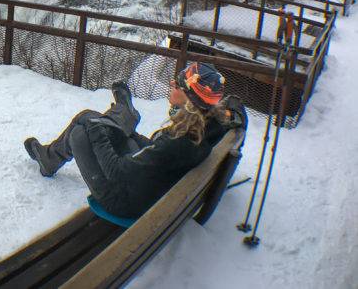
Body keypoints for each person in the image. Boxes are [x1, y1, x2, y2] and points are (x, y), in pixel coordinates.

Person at [24, 62, 246, 219]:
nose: (171, 82)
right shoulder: (210, 124)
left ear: (190, 100)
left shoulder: (177, 144)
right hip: (152, 180)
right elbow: (237, 110)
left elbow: (118, 172)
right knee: (102, 123)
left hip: (125, 201)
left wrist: (97, 134)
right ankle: (124, 114)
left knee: (82, 130)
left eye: (177, 85)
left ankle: (123, 115)